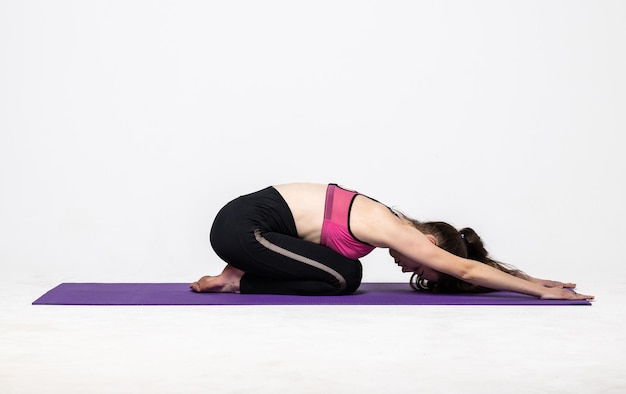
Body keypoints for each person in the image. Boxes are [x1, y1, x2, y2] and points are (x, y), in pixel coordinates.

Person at [190, 182, 593, 300]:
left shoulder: (388, 223)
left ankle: (238, 275)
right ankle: (234, 281)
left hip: (250, 227)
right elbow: (466, 268)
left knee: (345, 273)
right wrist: (537, 291)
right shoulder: (394, 228)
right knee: (345, 277)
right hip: (242, 228)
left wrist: (529, 278)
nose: (408, 268)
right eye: (422, 265)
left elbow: (469, 263)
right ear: (431, 242)